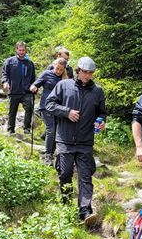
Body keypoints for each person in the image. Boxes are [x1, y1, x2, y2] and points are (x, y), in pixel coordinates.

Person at [45, 56, 106, 225]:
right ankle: (65, 207)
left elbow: (102, 112)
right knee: (65, 174)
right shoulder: (63, 86)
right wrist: (66, 112)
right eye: (85, 72)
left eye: (91, 73)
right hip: (64, 140)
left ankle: (85, 212)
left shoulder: (97, 91)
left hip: (85, 141)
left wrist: (101, 123)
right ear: (78, 70)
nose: (87, 76)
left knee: (85, 176)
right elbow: (49, 104)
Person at [30, 57, 69, 165]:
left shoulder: (64, 78)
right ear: (54, 65)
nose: (58, 71)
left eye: (61, 70)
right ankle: (47, 155)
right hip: (45, 106)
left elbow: (68, 91)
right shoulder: (46, 74)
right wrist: (33, 87)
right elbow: (35, 84)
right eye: (57, 68)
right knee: (51, 129)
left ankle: (53, 153)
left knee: (57, 130)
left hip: (58, 108)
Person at [2, 41, 36, 134]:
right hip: (14, 91)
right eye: (20, 50)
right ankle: (10, 129)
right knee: (12, 111)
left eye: (23, 50)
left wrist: (34, 86)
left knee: (29, 109)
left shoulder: (30, 63)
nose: (21, 52)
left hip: (27, 91)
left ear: (26, 51)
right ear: (16, 50)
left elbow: (33, 77)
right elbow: (5, 74)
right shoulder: (9, 61)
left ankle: (26, 128)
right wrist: (5, 82)